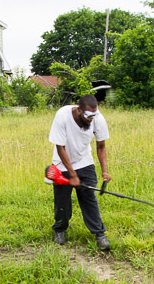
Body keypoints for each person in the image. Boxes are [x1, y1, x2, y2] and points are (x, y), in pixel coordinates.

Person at [48, 94, 111, 251]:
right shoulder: (63, 115)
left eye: (93, 116)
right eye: (88, 116)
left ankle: (100, 234)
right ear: (78, 110)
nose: (91, 119)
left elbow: (101, 146)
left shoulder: (98, 119)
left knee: (89, 197)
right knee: (62, 201)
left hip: (85, 161)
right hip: (62, 164)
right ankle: (60, 229)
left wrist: (104, 171)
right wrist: (73, 175)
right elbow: (60, 147)